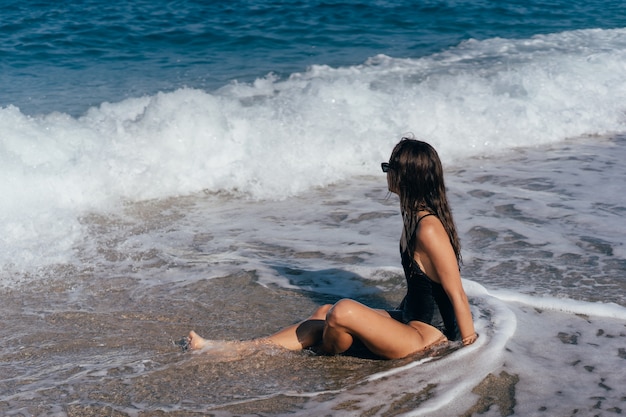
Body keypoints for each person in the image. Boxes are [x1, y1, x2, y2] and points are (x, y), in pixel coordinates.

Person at [186, 138, 477, 359]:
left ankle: (322, 350)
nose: (386, 173)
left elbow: (456, 294)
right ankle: (233, 349)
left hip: (425, 337)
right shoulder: (412, 217)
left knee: (342, 312)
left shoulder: (429, 228)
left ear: (407, 178)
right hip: (408, 321)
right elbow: (423, 287)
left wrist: (470, 350)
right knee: (326, 311)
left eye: (390, 168)